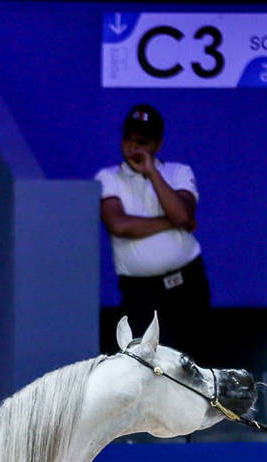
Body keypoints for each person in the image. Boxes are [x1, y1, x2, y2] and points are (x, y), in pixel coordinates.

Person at [96, 103, 210, 357]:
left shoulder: (178, 172)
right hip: (140, 293)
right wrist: (174, 223)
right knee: (141, 364)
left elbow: (182, 213)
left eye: (142, 141)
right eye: (128, 138)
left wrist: (151, 172)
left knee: (192, 358)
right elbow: (119, 225)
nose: (133, 146)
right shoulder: (108, 177)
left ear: (157, 145)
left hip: (187, 284)